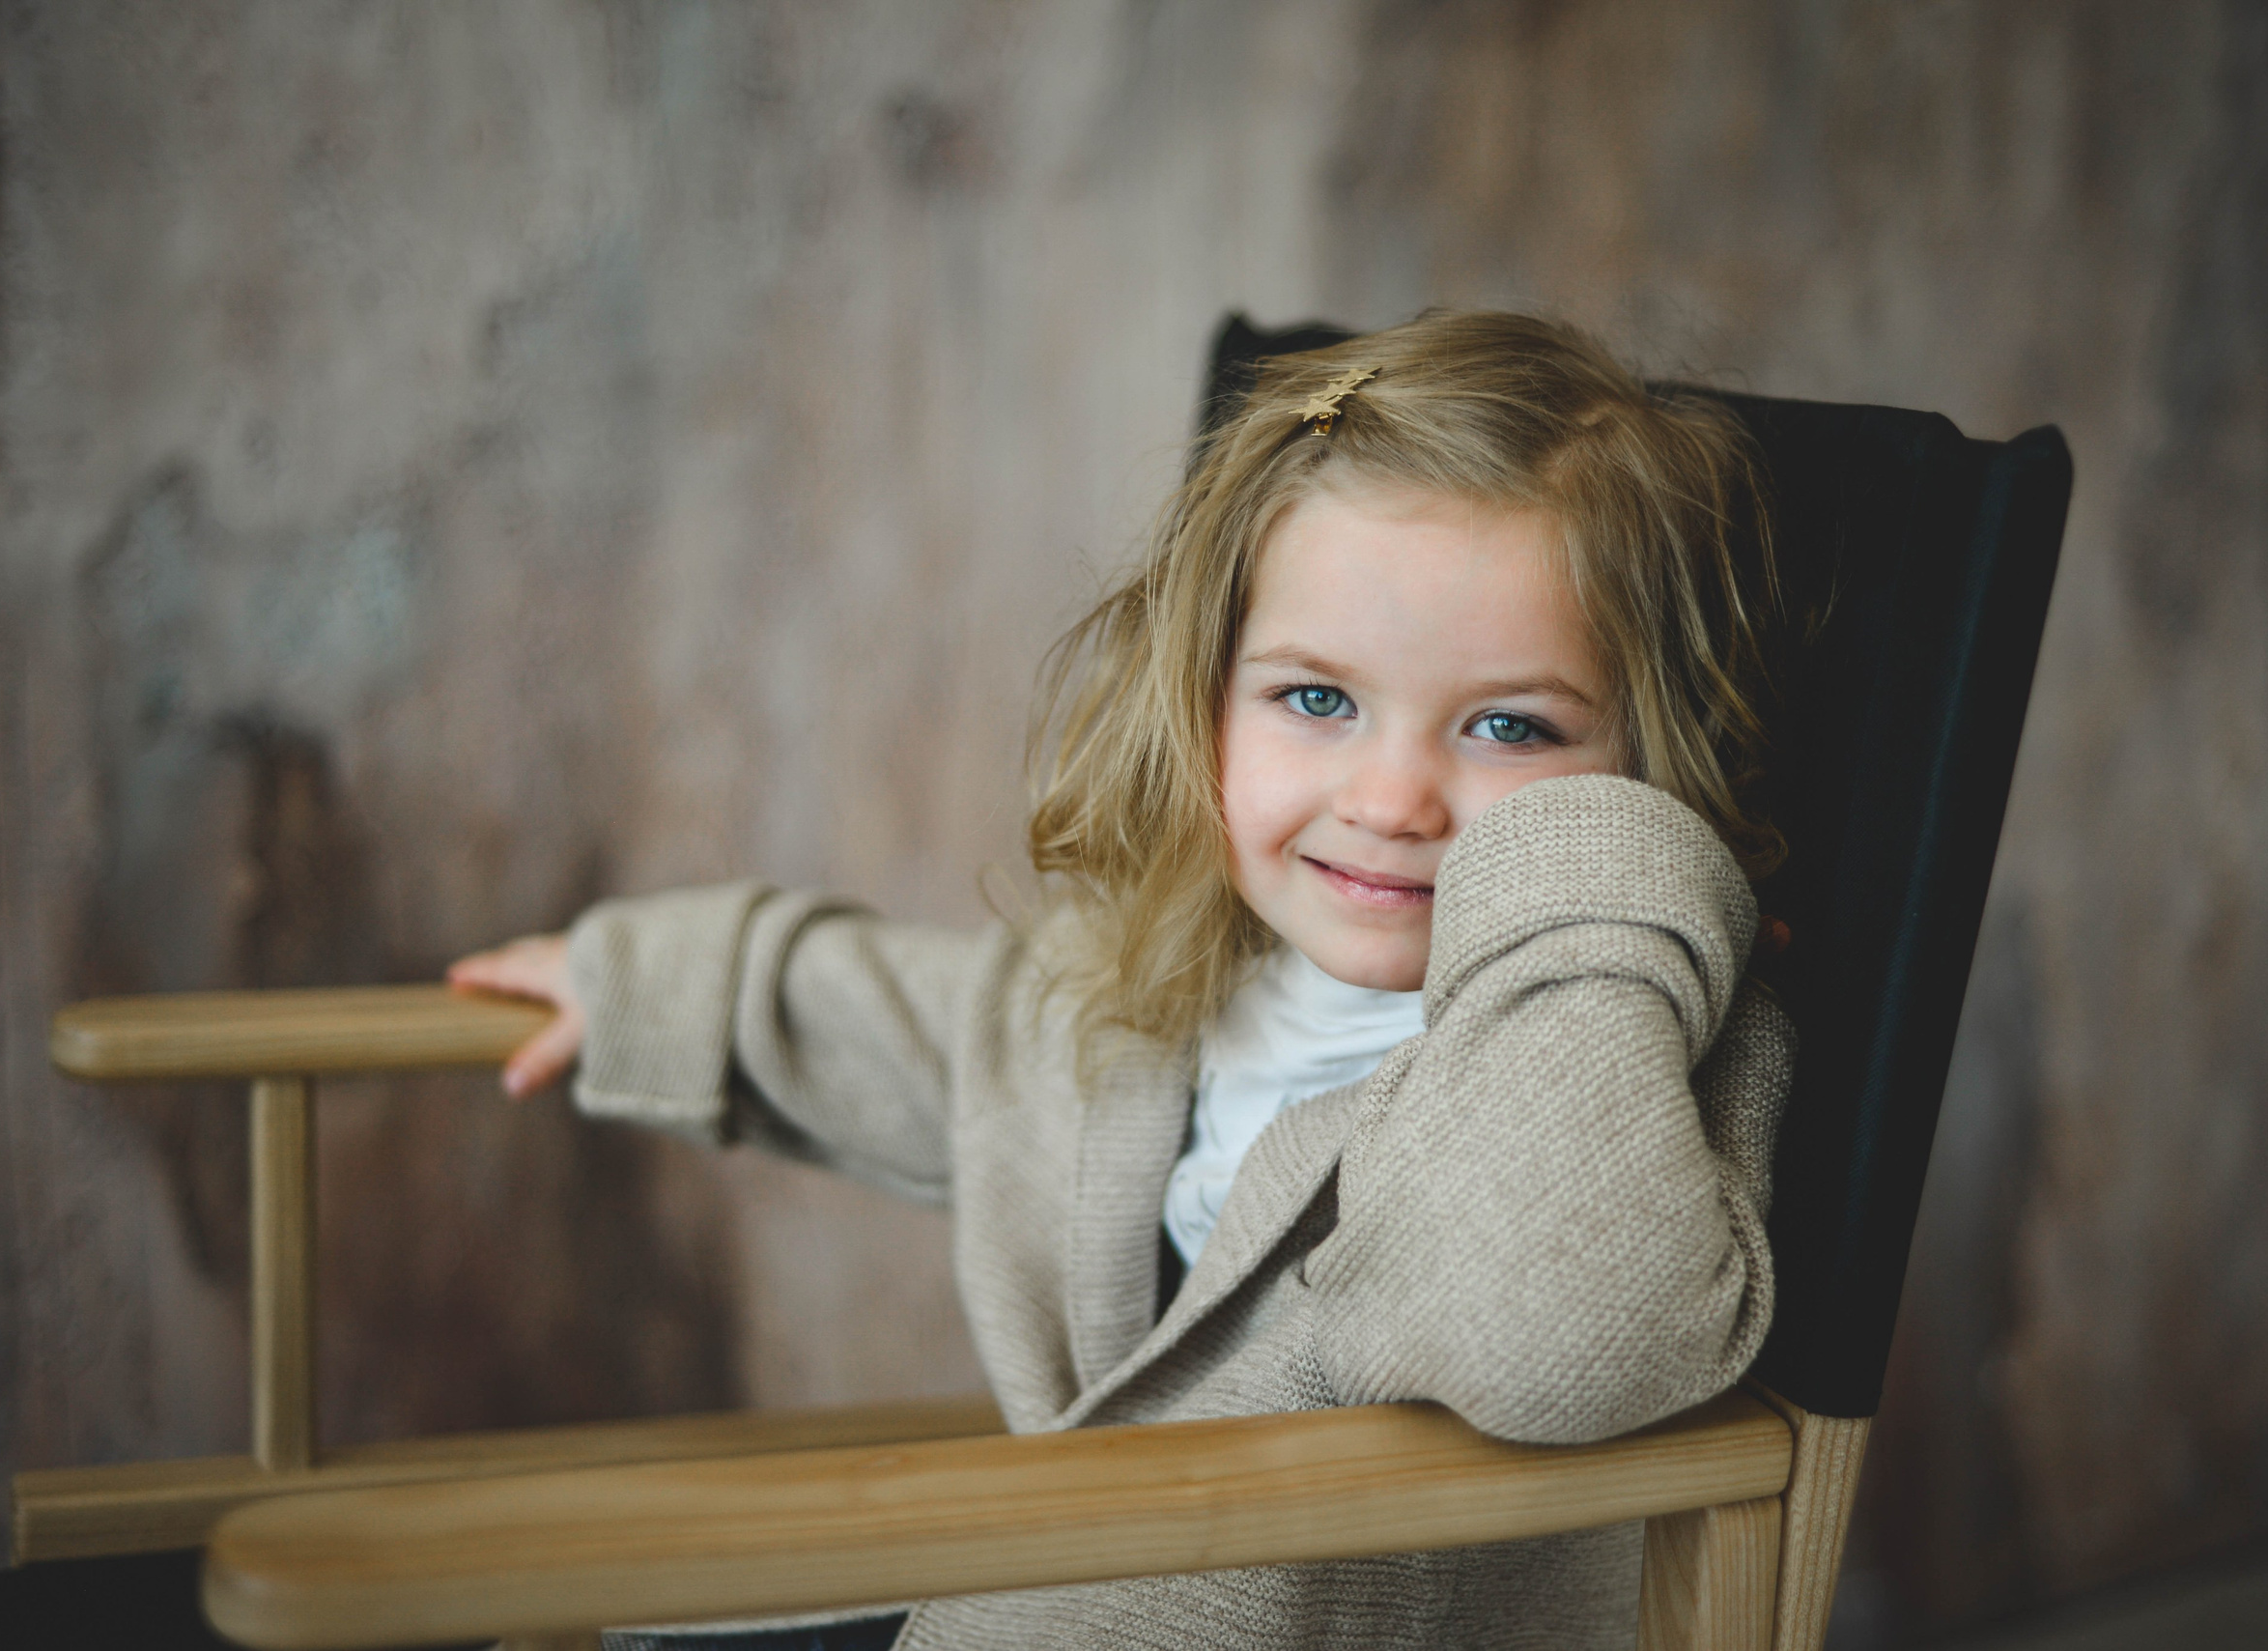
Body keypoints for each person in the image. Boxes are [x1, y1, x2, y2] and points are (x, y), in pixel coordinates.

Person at [449, 309, 1796, 1651]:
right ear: (1204, 693)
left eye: (1512, 725)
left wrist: (1606, 868)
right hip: (1056, 1593)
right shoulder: (1189, 979)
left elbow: (1555, 1323)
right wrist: (641, 984)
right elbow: (946, 1037)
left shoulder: (1628, 1047)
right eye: (1316, 699)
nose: (1390, 799)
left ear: (1647, 762)